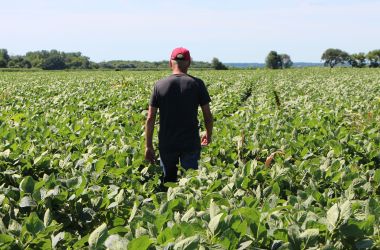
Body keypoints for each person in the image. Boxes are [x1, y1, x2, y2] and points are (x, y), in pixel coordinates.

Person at [145, 47, 213, 183]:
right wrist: (208, 134)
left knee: (169, 183)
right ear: (189, 63)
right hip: (190, 143)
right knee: (191, 183)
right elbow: (207, 115)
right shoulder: (197, 84)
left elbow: (150, 118)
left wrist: (148, 146)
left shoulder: (159, 85)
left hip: (167, 143)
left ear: (170, 63)